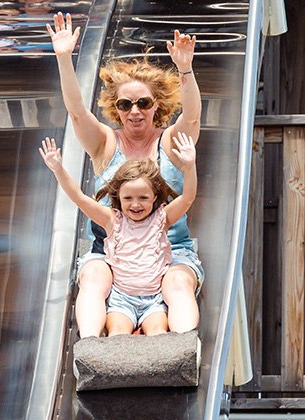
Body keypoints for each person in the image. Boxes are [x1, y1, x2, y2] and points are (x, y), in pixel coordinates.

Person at [46, 12, 203, 337]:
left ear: (156, 106)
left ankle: (181, 350)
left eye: (143, 103)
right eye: (125, 104)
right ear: (115, 108)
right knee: (93, 277)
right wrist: (64, 58)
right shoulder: (105, 143)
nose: (134, 111)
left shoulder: (170, 141)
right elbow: (76, 111)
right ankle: (91, 347)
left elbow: (192, 116)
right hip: (112, 250)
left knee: (176, 282)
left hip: (171, 251)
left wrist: (185, 70)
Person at [39, 133, 197, 336]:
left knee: (158, 331)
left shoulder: (161, 218)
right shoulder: (112, 220)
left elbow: (187, 198)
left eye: (143, 197)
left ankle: (181, 348)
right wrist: (58, 169)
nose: (136, 204)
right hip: (122, 297)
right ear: (118, 198)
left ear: (155, 197)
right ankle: (93, 349)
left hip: (154, 298)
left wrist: (190, 165)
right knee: (116, 332)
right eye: (128, 198)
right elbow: (79, 199)